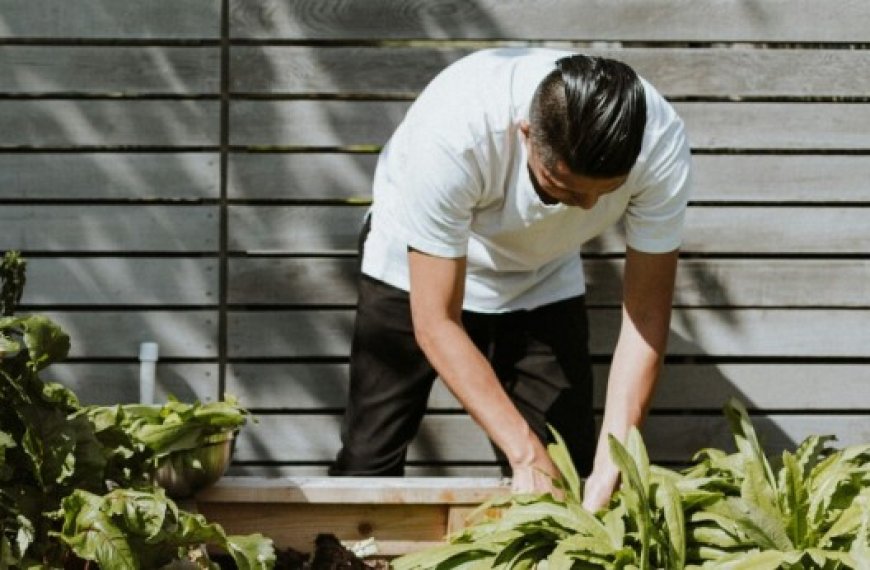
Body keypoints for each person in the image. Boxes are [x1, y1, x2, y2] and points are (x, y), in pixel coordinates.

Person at [328, 48, 692, 512]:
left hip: (541, 274)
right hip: (411, 268)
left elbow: (644, 314)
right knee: (368, 463)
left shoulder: (659, 143)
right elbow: (436, 322)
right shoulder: (454, 133)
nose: (585, 208)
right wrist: (523, 453)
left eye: (605, 193)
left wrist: (615, 458)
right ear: (526, 134)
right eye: (563, 188)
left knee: (567, 469)